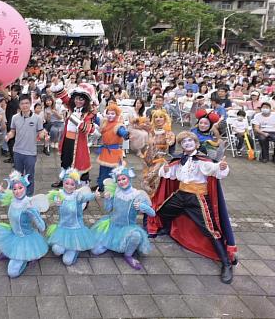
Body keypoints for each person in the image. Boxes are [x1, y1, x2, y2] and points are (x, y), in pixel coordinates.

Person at [148, 131, 236, 284]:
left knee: (210, 230)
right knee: (163, 211)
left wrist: (221, 167)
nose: (187, 143)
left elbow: (215, 170)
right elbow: (170, 174)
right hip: (181, 193)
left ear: (196, 144)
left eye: (190, 141)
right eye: (183, 142)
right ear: (181, 145)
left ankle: (226, 263)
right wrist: (166, 169)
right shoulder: (178, 160)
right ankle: (166, 229)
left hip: (198, 198)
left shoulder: (203, 160)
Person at [91, 164, 154, 270]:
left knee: (136, 236)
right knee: (95, 251)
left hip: (127, 228)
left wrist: (142, 206)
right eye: (119, 180)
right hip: (112, 225)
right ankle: (110, 243)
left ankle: (128, 255)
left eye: (124, 178)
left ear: (129, 179)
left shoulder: (137, 195)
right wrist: (107, 199)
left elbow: (153, 213)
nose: (121, 182)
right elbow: (107, 209)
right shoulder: (116, 191)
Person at [0, 170, 48, 278]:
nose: (17, 191)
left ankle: (26, 257)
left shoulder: (29, 203)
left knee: (12, 273)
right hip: (13, 234)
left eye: (20, 188)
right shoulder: (11, 198)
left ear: (25, 188)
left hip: (25, 239)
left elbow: (42, 227)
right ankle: (8, 253)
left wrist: (33, 212)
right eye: (14, 189)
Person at [46, 168, 97, 266]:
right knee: (56, 251)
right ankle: (68, 248)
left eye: (72, 184)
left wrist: (94, 195)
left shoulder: (77, 196)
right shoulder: (59, 194)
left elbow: (86, 197)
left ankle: (76, 248)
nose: (69, 186)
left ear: (75, 185)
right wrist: (56, 203)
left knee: (67, 261)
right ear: (63, 183)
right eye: (66, 183)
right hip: (62, 228)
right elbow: (50, 202)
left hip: (76, 229)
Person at [50, 81, 97, 186]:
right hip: (67, 140)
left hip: (79, 143)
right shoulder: (71, 107)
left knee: (81, 164)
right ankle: (64, 181)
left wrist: (75, 120)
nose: (78, 101)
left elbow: (88, 129)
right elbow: (64, 97)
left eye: (81, 99)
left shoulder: (88, 113)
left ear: (86, 101)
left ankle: (84, 189)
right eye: (76, 99)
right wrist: (57, 84)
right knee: (65, 160)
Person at [5, 95, 47, 196]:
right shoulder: (15, 118)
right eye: (22, 103)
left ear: (30, 103)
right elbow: (13, 131)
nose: (25, 106)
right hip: (18, 151)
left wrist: (44, 136)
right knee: (17, 176)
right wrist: (9, 136)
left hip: (31, 153)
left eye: (27, 103)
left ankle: (28, 196)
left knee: (29, 176)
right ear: (19, 105)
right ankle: (18, 195)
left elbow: (40, 133)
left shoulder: (37, 118)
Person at [96, 103, 128, 191]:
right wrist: (92, 112)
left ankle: (113, 187)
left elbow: (122, 131)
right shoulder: (105, 123)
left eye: (112, 114)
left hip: (114, 152)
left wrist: (125, 134)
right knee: (103, 170)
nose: (110, 115)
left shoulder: (118, 125)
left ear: (116, 115)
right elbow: (96, 120)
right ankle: (101, 185)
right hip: (105, 150)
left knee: (114, 171)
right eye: (108, 113)